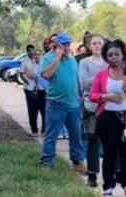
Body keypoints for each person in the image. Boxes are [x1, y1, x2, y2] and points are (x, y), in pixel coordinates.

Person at [90, 39, 126, 197]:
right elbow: (92, 96)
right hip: (107, 118)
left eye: (117, 54)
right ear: (105, 57)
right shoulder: (101, 75)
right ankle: (108, 187)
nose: (113, 57)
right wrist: (106, 96)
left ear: (123, 55)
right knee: (109, 153)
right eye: (109, 55)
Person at [39, 32, 86, 173]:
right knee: (51, 135)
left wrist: (79, 97)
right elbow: (46, 75)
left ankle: (77, 162)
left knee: (76, 135)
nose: (67, 47)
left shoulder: (71, 59)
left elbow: (75, 80)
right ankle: (47, 162)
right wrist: (58, 57)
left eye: (68, 44)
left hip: (73, 104)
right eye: (64, 44)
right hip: (56, 104)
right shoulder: (47, 58)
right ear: (56, 45)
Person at [79, 35, 106, 187]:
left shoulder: (109, 60)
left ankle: (112, 173)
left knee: (110, 141)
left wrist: (96, 80)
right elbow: (83, 83)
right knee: (93, 141)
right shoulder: (84, 62)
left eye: (99, 43)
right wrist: (103, 77)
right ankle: (92, 174)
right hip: (91, 106)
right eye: (94, 43)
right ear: (89, 46)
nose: (96, 46)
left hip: (108, 105)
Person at [20, 46, 47, 137]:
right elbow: (22, 74)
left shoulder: (43, 63)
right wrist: (27, 81)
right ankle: (34, 130)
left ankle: (44, 130)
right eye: (35, 54)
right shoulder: (27, 62)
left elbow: (44, 75)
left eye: (38, 54)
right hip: (30, 89)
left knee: (43, 110)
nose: (36, 56)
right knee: (32, 110)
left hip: (42, 90)